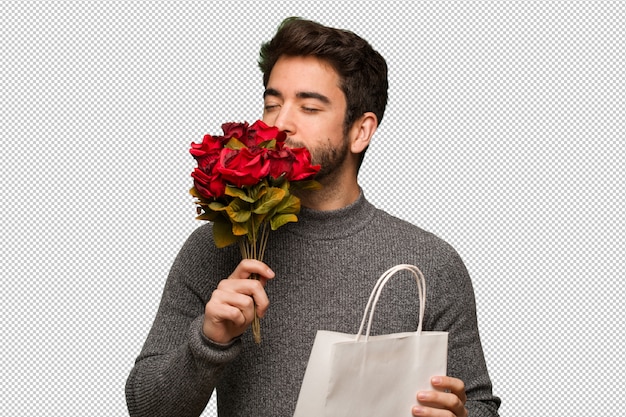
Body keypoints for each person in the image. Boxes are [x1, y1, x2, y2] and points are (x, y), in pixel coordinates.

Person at [126, 17, 501, 417]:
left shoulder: (431, 262)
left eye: (308, 107)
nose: (280, 123)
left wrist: (459, 414)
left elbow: (478, 404)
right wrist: (210, 340)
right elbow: (146, 409)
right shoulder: (217, 246)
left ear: (361, 130)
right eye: (272, 104)